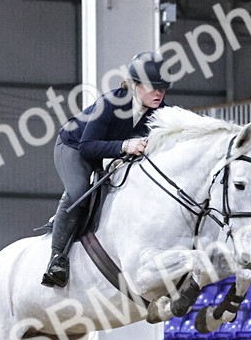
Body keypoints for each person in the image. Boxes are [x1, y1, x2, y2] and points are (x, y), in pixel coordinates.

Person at [41, 51, 171, 288]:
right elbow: (87, 147)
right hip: (74, 147)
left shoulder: (161, 112)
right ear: (135, 85)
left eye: (163, 88)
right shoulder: (110, 103)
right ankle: (56, 260)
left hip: (111, 154)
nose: (159, 93)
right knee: (79, 190)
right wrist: (124, 145)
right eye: (153, 87)